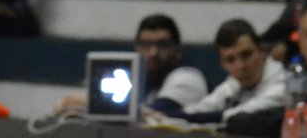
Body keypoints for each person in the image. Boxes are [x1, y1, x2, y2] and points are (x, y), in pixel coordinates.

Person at [56, 14, 208, 115]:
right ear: (136, 48)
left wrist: (91, 104)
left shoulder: (188, 77)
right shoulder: (139, 76)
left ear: (178, 50)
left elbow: (156, 115)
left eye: (162, 44)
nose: (153, 52)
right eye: (146, 45)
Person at [162, 19, 285, 125]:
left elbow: (239, 115)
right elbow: (203, 107)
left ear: (262, 51)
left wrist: (172, 117)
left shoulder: (283, 81)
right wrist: (163, 116)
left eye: (246, 55)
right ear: (223, 65)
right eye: (230, 60)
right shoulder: (235, 83)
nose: (241, 66)